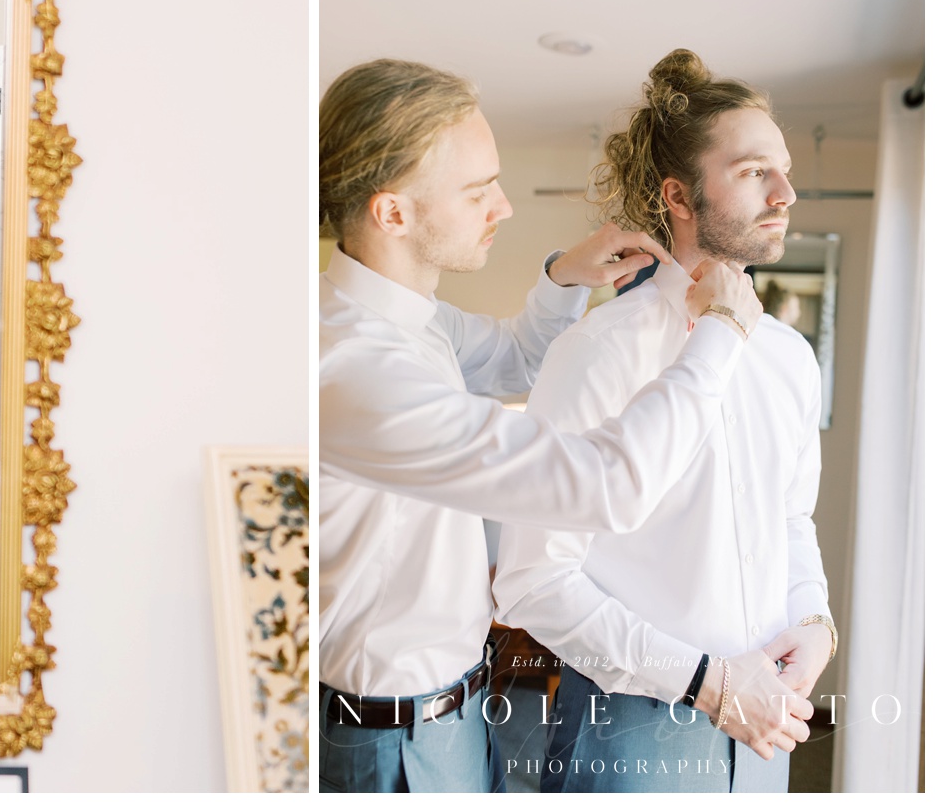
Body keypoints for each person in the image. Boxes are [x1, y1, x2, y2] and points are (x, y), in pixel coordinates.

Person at [317, 58, 766, 792]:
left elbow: (515, 359)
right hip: (384, 740)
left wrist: (563, 277)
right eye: (476, 191)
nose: (504, 207)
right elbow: (606, 486)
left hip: (459, 715)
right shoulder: (358, 370)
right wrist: (718, 333)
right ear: (392, 212)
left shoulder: (407, 320)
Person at [494, 50, 826, 792]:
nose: (786, 192)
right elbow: (532, 579)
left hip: (768, 728)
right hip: (631, 729)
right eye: (753, 172)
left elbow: (790, 519)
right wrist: (707, 681)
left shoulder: (790, 358)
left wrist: (814, 624)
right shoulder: (596, 353)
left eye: (784, 169)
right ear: (679, 195)